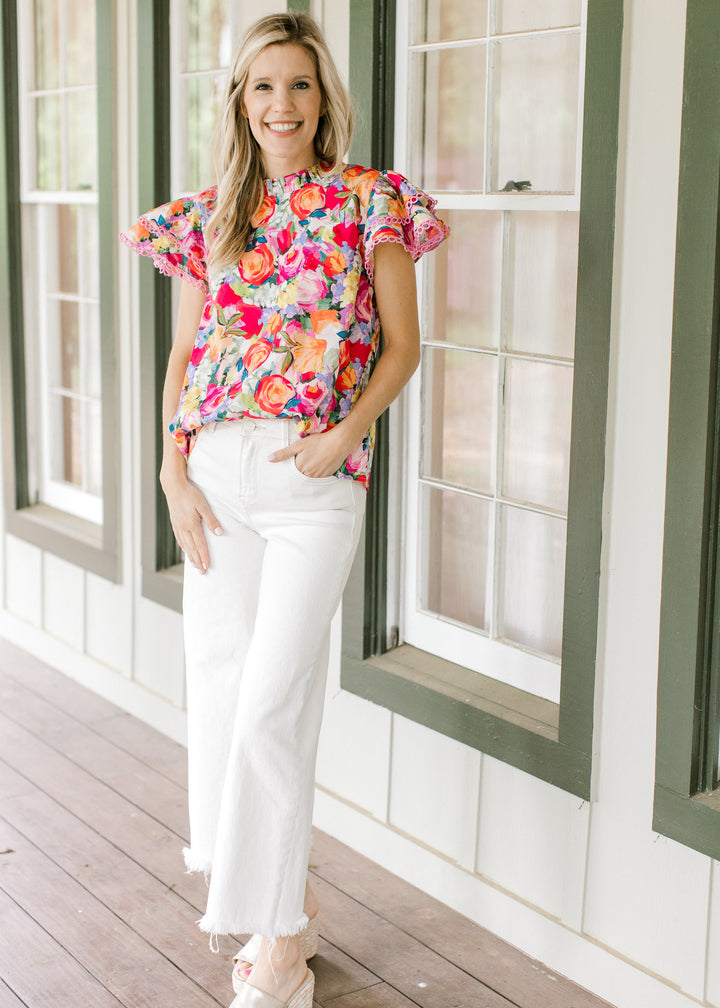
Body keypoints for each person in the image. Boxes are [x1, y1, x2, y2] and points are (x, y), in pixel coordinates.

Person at [120, 12, 448, 1008]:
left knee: (273, 702)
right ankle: (282, 921)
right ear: (240, 101)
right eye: (263, 86)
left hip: (312, 483)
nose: (281, 104)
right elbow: (186, 356)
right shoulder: (212, 215)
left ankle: (279, 939)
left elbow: (403, 346)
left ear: (323, 97)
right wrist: (171, 470)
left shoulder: (370, 201)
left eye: (299, 84)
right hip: (215, 476)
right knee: (224, 693)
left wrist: (346, 436)